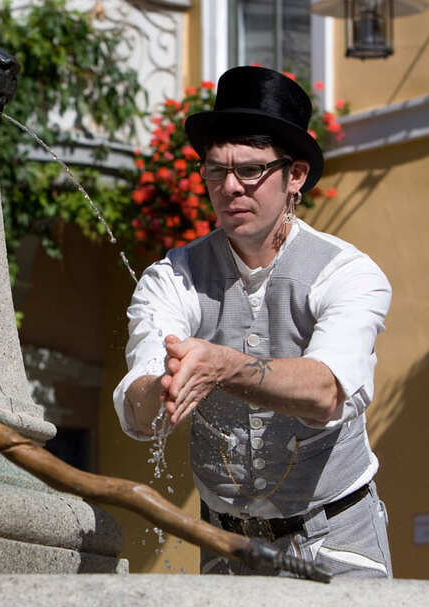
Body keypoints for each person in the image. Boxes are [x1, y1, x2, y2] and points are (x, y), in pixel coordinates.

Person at [112, 66, 393, 578]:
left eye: (251, 170)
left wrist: (223, 366)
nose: (230, 187)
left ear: (295, 176)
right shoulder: (172, 277)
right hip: (226, 547)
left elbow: (326, 390)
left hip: (337, 538)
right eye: (216, 171)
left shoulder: (347, 272)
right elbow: (139, 407)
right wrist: (164, 386)